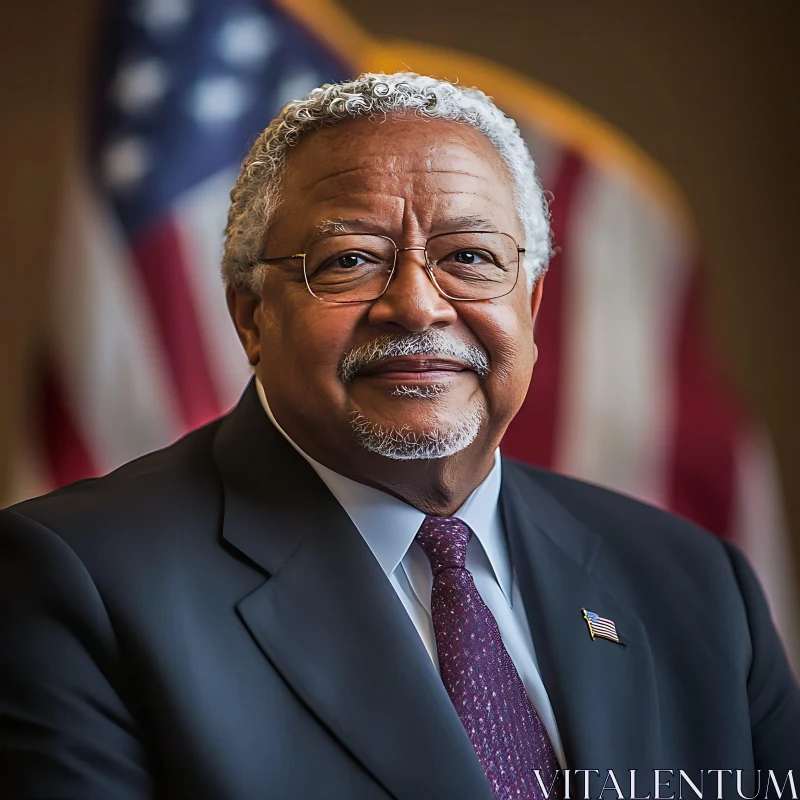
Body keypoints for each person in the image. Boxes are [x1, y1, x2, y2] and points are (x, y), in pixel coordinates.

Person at [1, 73, 798, 800]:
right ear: (251, 314)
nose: (418, 306)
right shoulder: (75, 583)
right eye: (349, 261)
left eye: (472, 257)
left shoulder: (697, 584)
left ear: (533, 300)